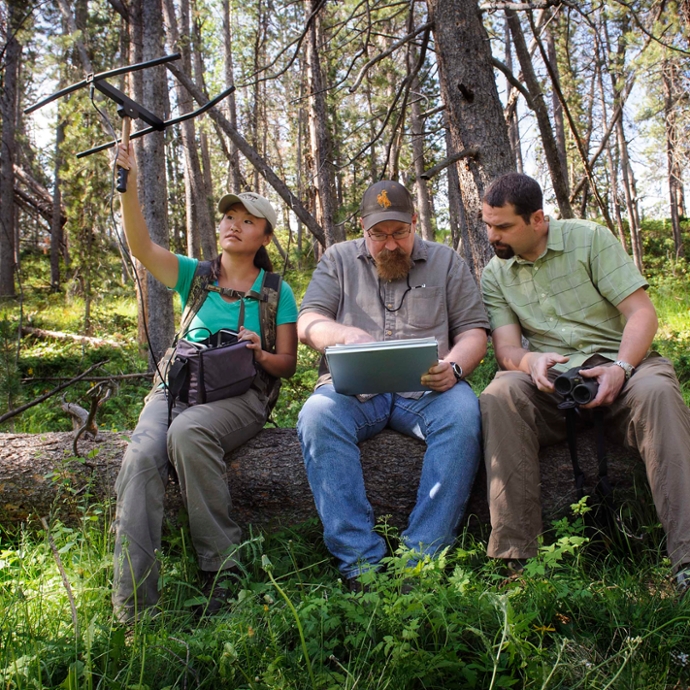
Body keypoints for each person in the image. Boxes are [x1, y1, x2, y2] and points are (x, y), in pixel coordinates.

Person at [112, 142, 298, 622]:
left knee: (189, 431)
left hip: (241, 395)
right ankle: (134, 609)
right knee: (138, 459)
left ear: (265, 236)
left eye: (247, 220)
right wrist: (127, 184)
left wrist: (259, 351)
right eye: (228, 216)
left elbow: (287, 365)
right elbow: (139, 246)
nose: (233, 224)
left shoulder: (276, 292)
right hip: (176, 384)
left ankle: (223, 572)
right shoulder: (194, 275)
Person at [479, 172, 690, 591]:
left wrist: (622, 368)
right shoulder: (495, 274)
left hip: (623, 367)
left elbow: (642, 314)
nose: (492, 236)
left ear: (537, 219)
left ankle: (687, 558)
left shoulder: (589, 239)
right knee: (500, 392)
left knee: (659, 392)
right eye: (487, 224)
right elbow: (506, 350)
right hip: (553, 382)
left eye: (503, 226)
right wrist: (531, 360)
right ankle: (519, 562)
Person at [297, 180, 489, 589]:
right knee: (317, 416)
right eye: (378, 235)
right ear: (363, 229)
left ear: (414, 223)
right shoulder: (338, 260)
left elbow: (475, 331)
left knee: (463, 414)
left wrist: (453, 368)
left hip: (427, 392)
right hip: (353, 393)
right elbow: (307, 322)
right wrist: (343, 335)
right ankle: (360, 565)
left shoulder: (445, 261)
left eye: (399, 233)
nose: (390, 244)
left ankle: (419, 562)